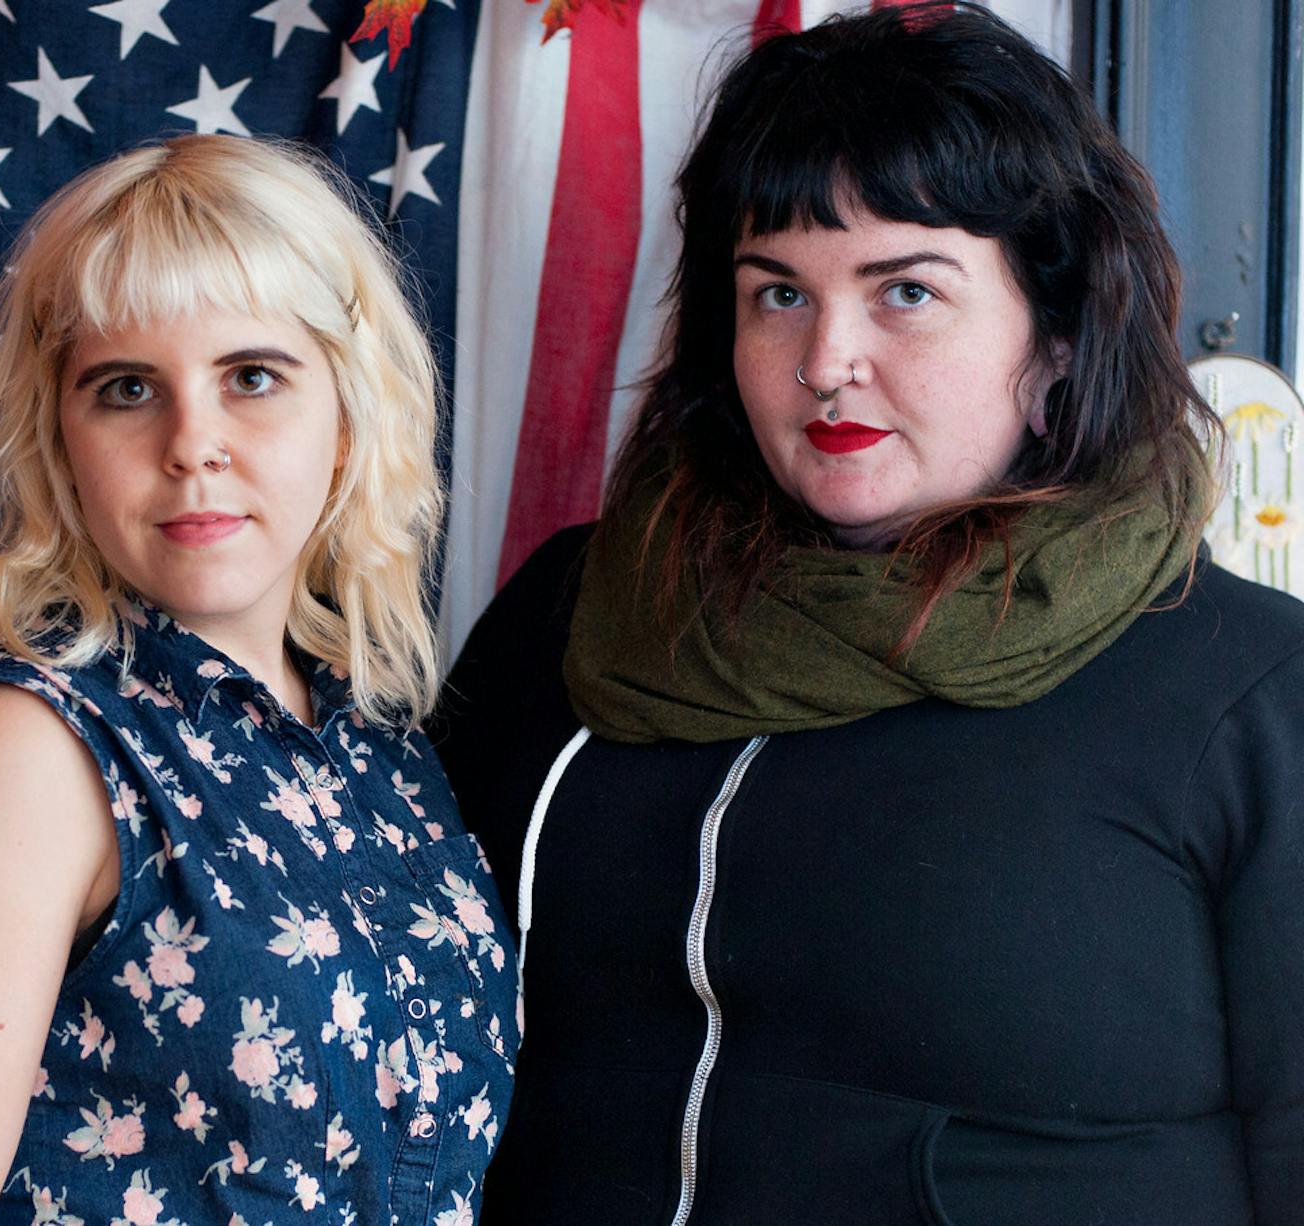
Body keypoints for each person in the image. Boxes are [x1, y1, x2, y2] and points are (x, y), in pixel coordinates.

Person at [434, 4, 1304, 1222]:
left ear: (1055, 335)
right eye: (777, 293)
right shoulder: (569, 615)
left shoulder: (1252, 689)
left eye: (905, 292)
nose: (829, 356)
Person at [0, 134, 517, 1224]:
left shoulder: (380, 740)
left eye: (253, 377)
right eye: (127, 387)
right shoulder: (15, 747)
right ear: (61, 437)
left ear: (345, 414)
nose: (194, 443)